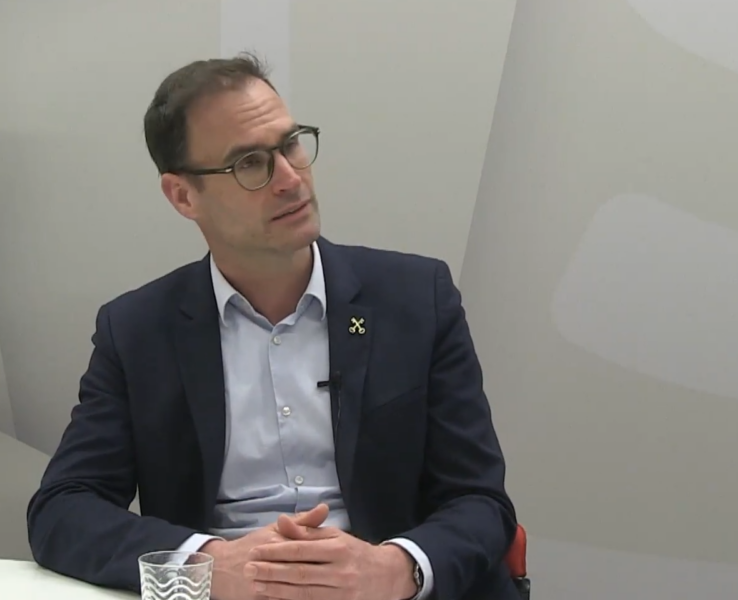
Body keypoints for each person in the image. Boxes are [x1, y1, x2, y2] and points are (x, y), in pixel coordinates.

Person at [26, 53, 520, 600]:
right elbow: (63, 509)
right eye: (249, 163)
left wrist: (394, 569)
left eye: (290, 145)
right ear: (183, 195)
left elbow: (480, 501)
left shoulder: (418, 298)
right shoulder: (137, 330)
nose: (289, 178)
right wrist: (208, 564)